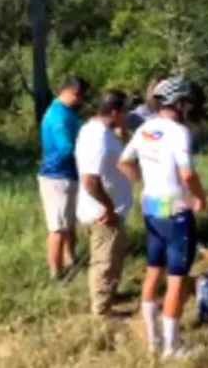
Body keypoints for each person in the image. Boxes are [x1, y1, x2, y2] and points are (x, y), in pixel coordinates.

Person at [118, 76, 206, 358]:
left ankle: (154, 341)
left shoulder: (145, 128)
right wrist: (200, 197)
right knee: (177, 278)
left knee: (153, 269)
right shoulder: (179, 132)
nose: (189, 106)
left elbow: (124, 161)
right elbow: (187, 173)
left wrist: (143, 182)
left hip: (152, 205)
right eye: (187, 102)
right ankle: (172, 347)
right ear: (178, 103)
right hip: (176, 208)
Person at [74, 90, 133, 317]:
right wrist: (108, 206)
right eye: (125, 111)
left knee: (112, 259)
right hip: (102, 213)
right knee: (104, 263)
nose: (127, 115)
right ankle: (102, 312)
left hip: (107, 210)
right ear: (115, 112)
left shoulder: (100, 131)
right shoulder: (97, 137)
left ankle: (108, 296)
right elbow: (89, 179)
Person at [37, 76, 89, 281]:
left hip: (69, 175)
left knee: (69, 224)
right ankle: (56, 272)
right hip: (57, 177)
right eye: (79, 95)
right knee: (58, 227)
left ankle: (71, 260)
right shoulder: (58, 116)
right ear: (70, 91)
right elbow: (66, 147)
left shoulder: (68, 114)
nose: (81, 100)